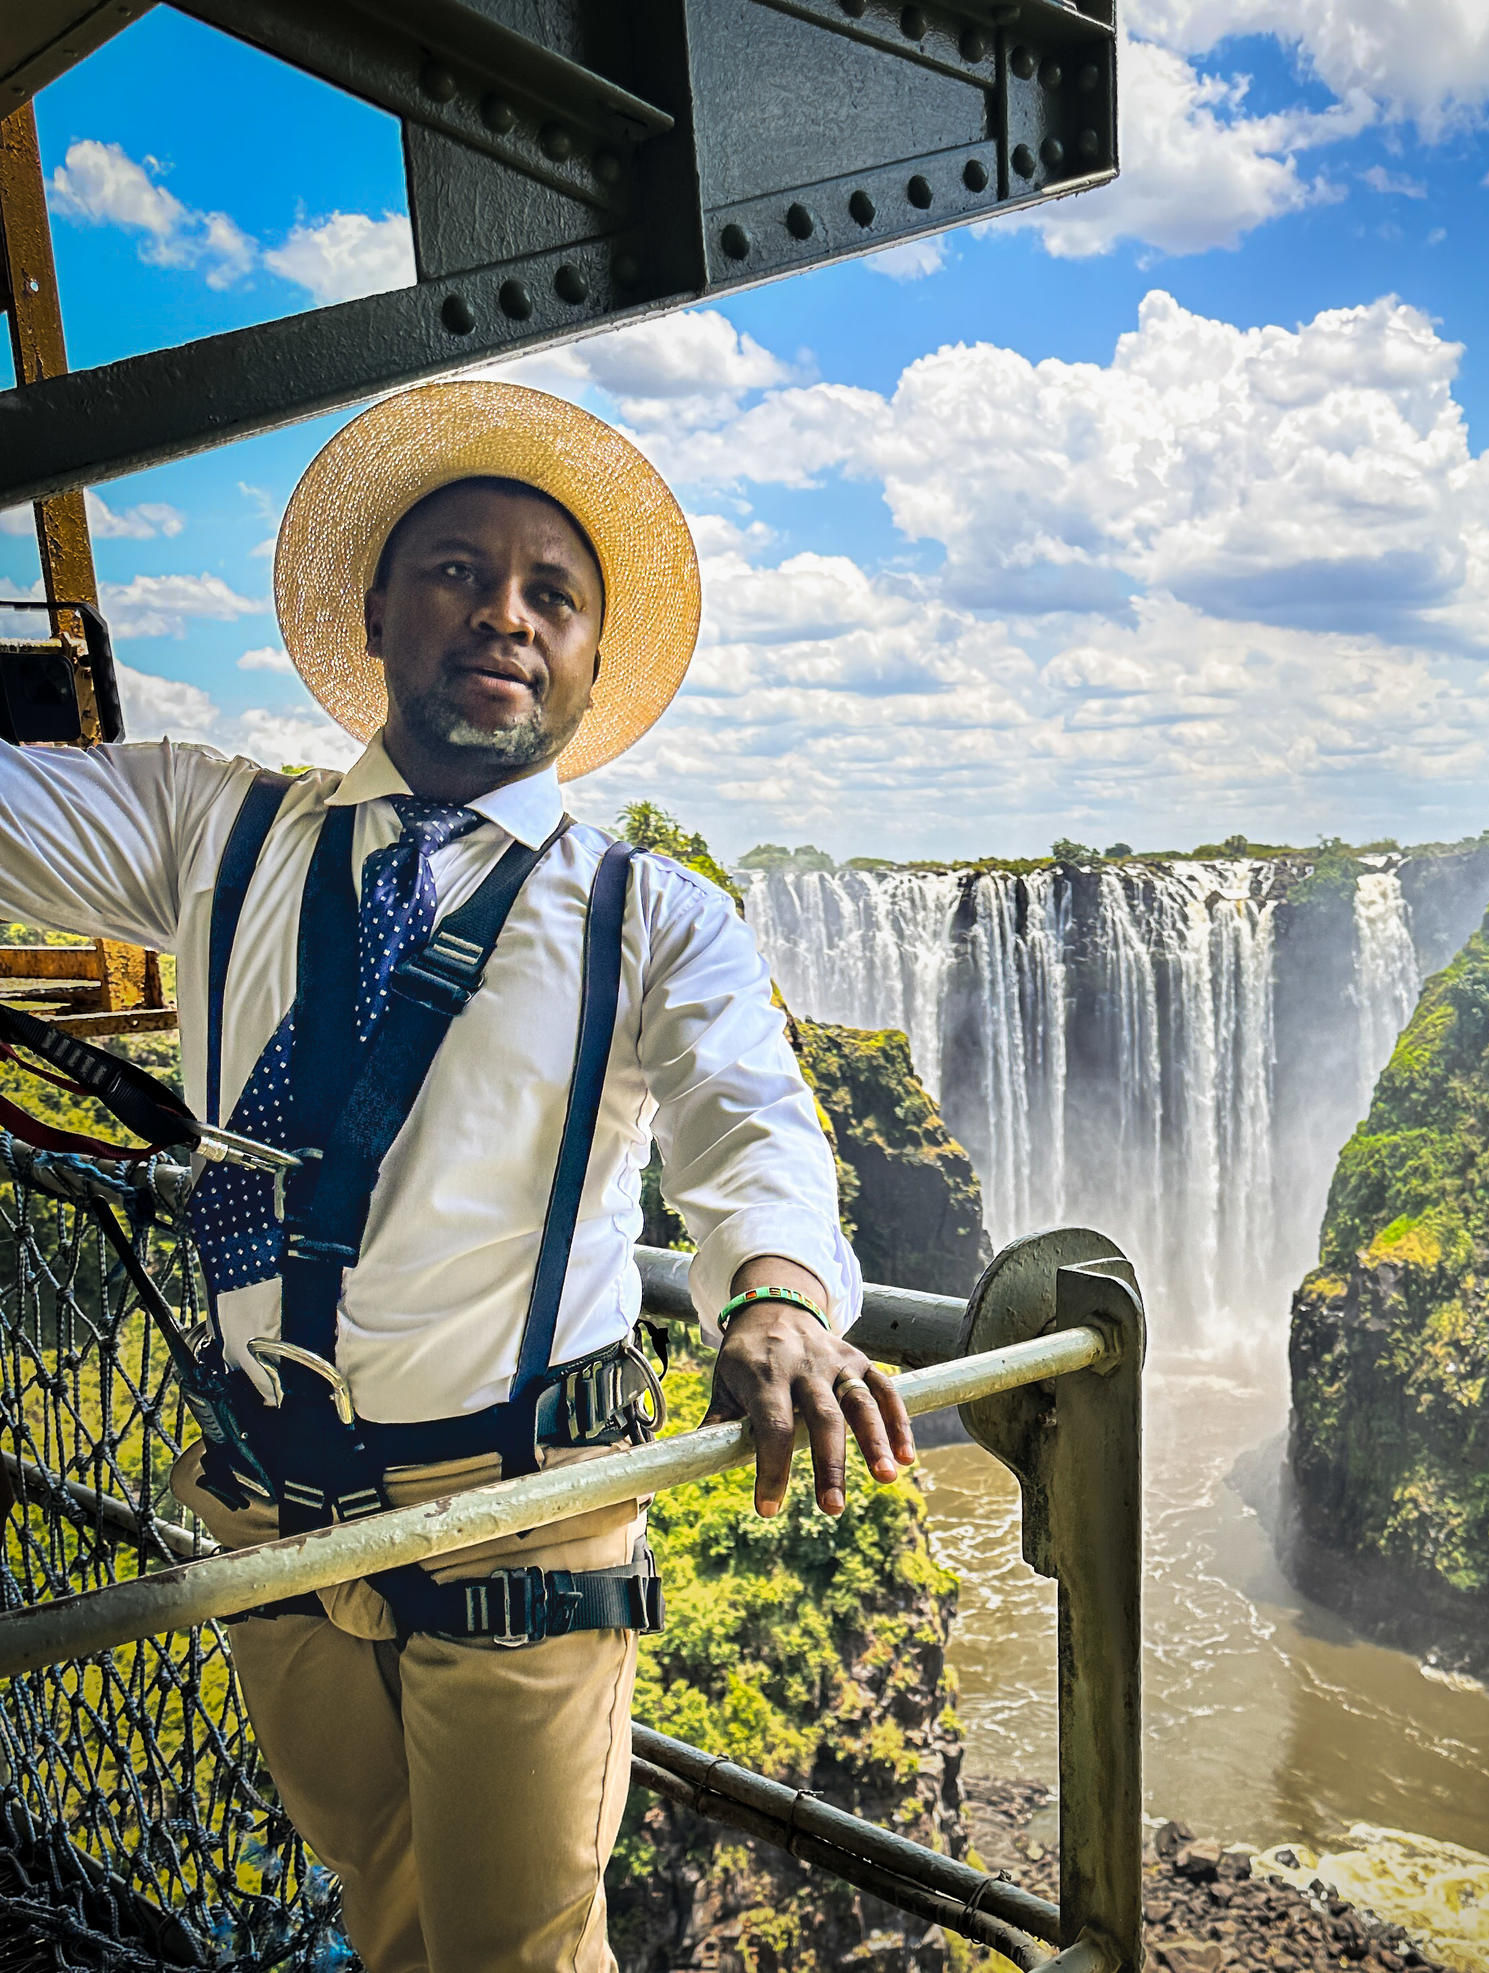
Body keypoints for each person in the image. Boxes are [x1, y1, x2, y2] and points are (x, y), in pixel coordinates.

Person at [0, 379, 915, 1972]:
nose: (504, 613)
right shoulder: (211, 832)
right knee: (383, 1894)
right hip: (262, 1507)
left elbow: (749, 1123)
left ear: (586, 664)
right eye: (456, 572)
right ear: (373, 613)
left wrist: (775, 1297)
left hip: (519, 1520)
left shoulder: (652, 918)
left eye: (551, 593)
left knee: (516, 1949)